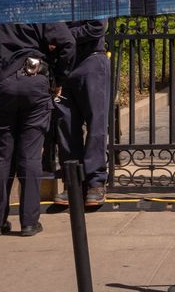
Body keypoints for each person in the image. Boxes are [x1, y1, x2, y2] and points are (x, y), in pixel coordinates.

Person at [0, 21, 71, 235]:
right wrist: (58, 78)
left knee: (1, 155)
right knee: (30, 155)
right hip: (35, 80)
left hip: (1, 83)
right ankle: (29, 222)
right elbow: (68, 42)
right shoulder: (37, 5)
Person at [57, 18, 110, 208]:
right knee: (66, 126)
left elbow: (97, 26)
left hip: (91, 60)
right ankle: (72, 182)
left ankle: (95, 182)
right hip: (63, 63)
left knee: (96, 124)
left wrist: (62, 37)